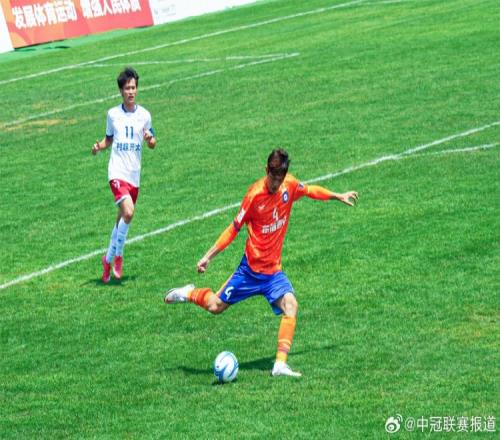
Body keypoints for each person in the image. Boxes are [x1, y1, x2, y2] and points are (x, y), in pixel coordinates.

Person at [164, 148, 358, 377]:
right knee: (215, 306)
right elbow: (233, 229)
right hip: (249, 272)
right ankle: (188, 293)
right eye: (273, 178)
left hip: (273, 273)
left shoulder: (289, 185)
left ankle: (280, 365)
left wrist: (337, 195)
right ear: (266, 170)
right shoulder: (254, 195)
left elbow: (309, 190)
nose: (276, 184)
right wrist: (208, 256)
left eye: (280, 179)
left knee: (291, 305)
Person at [91, 67, 156, 283]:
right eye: (127, 88)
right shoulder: (113, 114)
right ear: (121, 91)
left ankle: (106, 260)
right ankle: (118, 256)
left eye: (133, 87)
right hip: (117, 172)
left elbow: (152, 142)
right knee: (128, 212)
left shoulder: (145, 115)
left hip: (134, 175)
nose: (131, 92)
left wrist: (150, 140)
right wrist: (99, 147)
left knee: (120, 221)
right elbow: (108, 139)